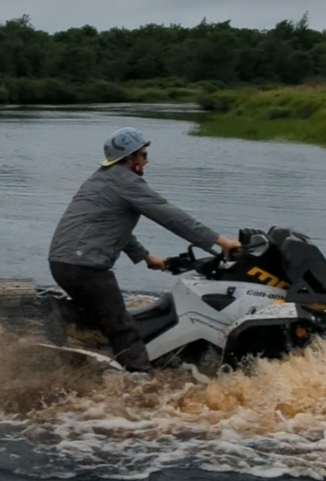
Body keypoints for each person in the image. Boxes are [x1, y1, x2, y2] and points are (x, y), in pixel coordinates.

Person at [48, 127, 239, 372]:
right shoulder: (126, 181)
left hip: (65, 263)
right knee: (122, 326)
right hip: (85, 267)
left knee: (99, 314)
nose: (147, 160)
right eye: (144, 155)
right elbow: (169, 216)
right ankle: (141, 380)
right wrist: (221, 242)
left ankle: (70, 332)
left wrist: (147, 257)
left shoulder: (104, 177)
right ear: (130, 157)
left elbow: (113, 227)